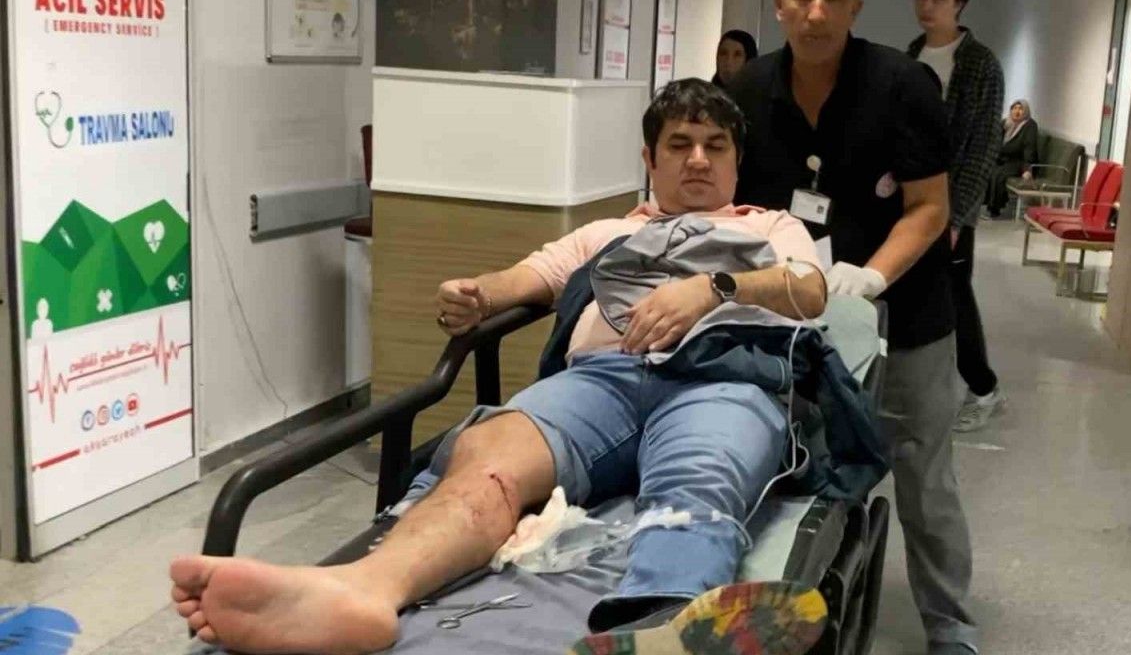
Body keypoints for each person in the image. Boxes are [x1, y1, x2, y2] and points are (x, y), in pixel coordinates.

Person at [167, 79, 840, 655]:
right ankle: (364, 591)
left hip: (721, 380)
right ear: (649, 159)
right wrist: (474, 295)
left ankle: (656, 625)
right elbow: (524, 279)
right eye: (679, 144)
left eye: (715, 146)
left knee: (699, 475)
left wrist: (713, 289)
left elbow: (809, 290)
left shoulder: (769, 227)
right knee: (485, 457)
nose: (697, 159)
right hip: (601, 382)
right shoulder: (607, 234)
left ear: (736, 161)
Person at [727, 0, 980, 653]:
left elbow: (929, 206)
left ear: (855, 7)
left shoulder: (903, 86)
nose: (817, 11)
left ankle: (951, 627)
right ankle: (803, 613)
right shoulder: (748, 93)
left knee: (923, 477)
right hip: (794, 323)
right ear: (779, 6)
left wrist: (870, 277)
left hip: (909, 315)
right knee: (802, 472)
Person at [903, 0, 1005, 434]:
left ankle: (983, 387)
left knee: (954, 296)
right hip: (908, 200)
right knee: (912, 292)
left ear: (959, 2)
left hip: (950, 207)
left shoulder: (981, 64)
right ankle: (920, 387)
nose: (928, 6)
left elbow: (983, 147)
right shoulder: (911, 55)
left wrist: (958, 217)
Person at [987, 99, 1039, 217]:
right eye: (1014, 108)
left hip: (1019, 162)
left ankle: (995, 208)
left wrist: (1027, 169)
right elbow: (996, 142)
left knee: (999, 175)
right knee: (991, 171)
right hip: (1004, 160)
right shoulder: (1006, 123)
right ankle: (991, 204)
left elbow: (1029, 149)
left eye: (1020, 109)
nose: (1017, 111)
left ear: (1026, 111)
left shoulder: (1030, 125)